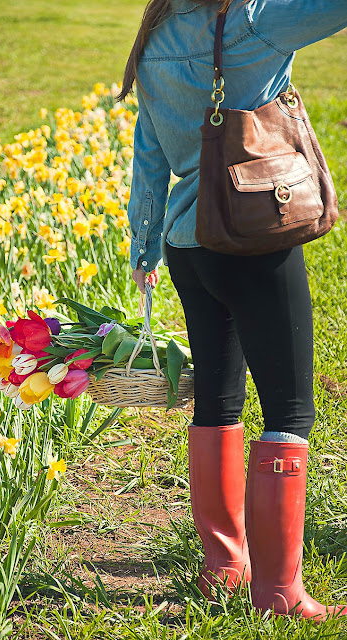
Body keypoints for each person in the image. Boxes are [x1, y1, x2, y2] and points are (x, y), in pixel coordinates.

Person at [119, 0, 347, 621]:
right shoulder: (254, 20)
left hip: (188, 243)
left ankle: (223, 569)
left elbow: (149, 153)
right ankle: (280, 595)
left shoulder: (155, 36)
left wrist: (144, 246)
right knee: (290, 411)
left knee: (217, 402)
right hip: (252, 236)